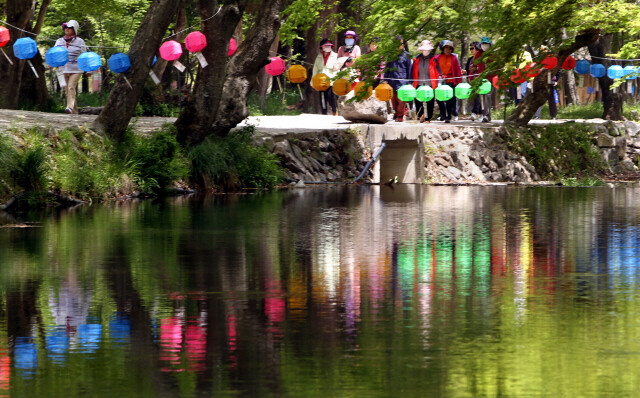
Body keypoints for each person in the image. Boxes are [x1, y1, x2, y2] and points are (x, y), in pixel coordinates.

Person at [55, 20, 87, 114]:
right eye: (66, 28)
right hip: (62, 69)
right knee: (67, 90)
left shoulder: (80, 41)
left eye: (70, 28)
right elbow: (54, 53)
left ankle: (69, 107)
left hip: (76, 69)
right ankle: (75, 112)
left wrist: (88, 69)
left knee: (71, 87)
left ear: (75, 30)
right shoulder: (59, 41)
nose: (67, 30)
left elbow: (84, 55)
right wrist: (51, 63)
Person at [383, 35, 413, 122]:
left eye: (401, 43)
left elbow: (410, 69)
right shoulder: (390, 56)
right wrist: (386, 79)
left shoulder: (407, 56)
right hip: (392, 81)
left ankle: (400, 115)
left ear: (403, 44)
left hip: (403, 81)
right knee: (393, 100)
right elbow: (387, 68)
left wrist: (410, 81)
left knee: (401, 100)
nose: (399, 45)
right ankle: (396, 113)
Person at [434, 40, 462, 123]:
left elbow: (457, 70)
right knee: (439, 98)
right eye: (446, 48)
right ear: (443, 48)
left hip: (451, 80)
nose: (448, 50)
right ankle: (442, 113)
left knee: (450, 99)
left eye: (450, 48)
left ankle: (448, 116)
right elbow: (434, 69)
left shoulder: (454, 58)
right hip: (440, 79)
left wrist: (458, 81)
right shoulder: (437, 58)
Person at [411, 40, 438, 123]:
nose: (426, 51)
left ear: (430, 50)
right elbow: (412, 71)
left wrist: (438, 82)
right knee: (418, 100)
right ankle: (420, 116)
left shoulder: (434, 59)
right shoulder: (416, 59)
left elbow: (438, 72)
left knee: (430, 101)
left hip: (430, 83)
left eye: (427, 50)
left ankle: (428, 118)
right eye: (424, 49)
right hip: (419, 82)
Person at [312, 38, 340, 115]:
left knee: (330, 96)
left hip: (331, 78)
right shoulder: (319, 56)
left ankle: (334, 110)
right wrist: (312, 81)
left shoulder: (335, 56)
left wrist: (336, 79)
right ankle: (324, 113)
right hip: (320, 79)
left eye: (329, 46)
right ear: (322, 47)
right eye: (325, 46)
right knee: (322, 97)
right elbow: (315, 69)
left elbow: (337, 69)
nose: (327, 47)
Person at [471, 36, 495, 122]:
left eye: (486, 44)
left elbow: (498, 66)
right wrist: (471, 77)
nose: (485, 46)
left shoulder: (493, 54)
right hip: (482, 79)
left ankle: (486, 115)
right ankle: (486, 115)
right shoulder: (478, 54)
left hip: (491, 78)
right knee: (483, 97)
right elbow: (474, 66)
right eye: (483, 44)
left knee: (488, 96)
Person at [464, 42, 482, 120]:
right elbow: (467, 69)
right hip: (471, 81)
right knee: (474, 98)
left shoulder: (481, 59)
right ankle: (478, 113)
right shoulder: (470, 59)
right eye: (470, 48)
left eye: (472, 48)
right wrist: (465, 73)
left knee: (479, 97)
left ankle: (476, 113)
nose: (471, 50)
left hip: (480, 80)